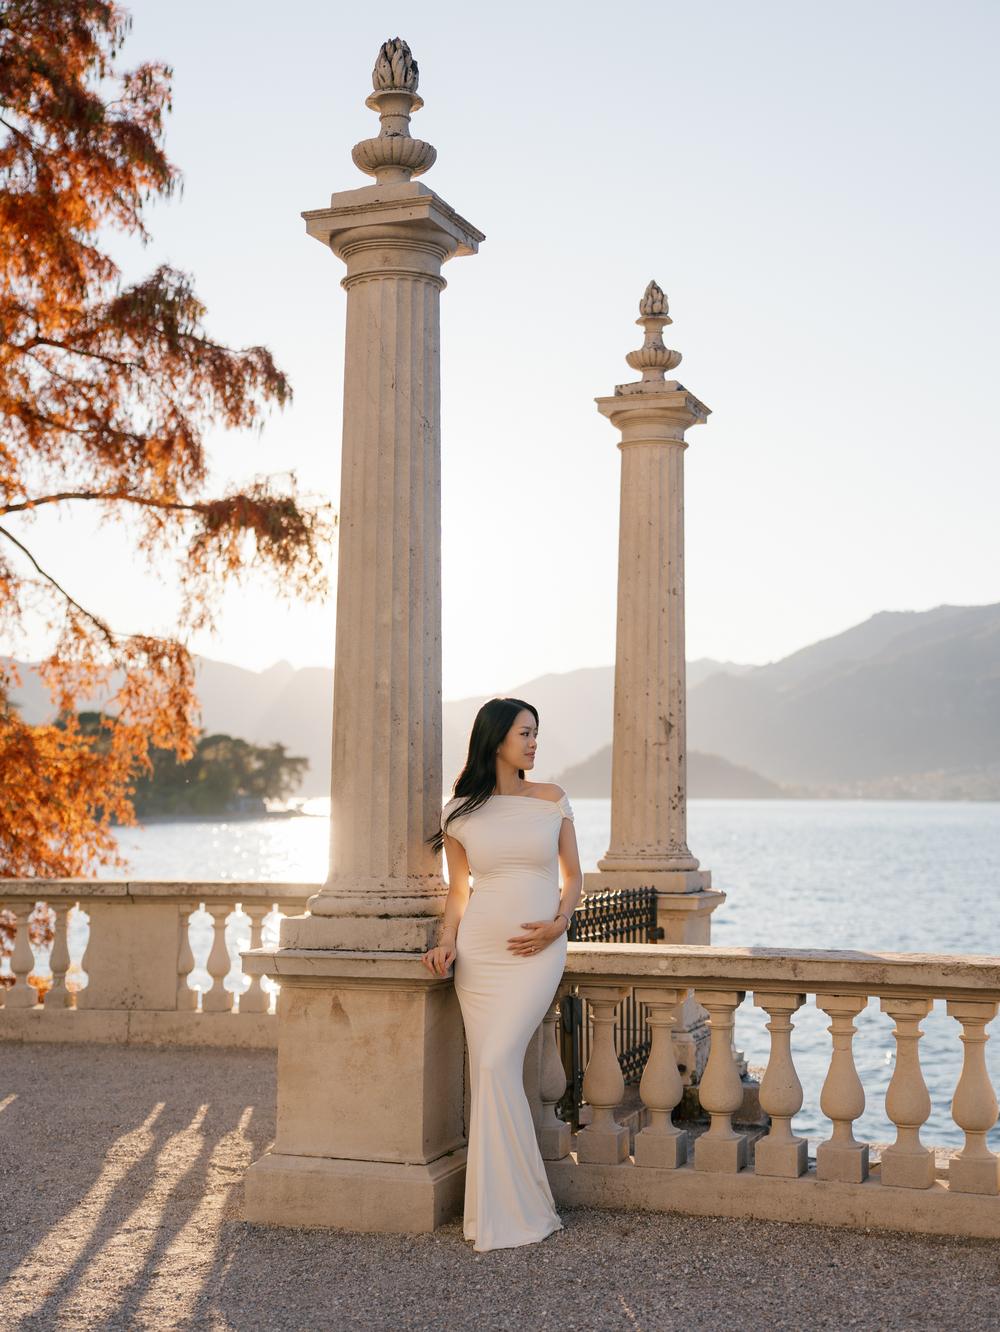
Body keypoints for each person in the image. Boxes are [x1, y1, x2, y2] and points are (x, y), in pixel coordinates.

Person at [421, 696, 583, 1253]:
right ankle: (499, 1208)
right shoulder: (459, 813)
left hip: (538, 951)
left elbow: (573, 876)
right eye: (524, 733)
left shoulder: (552, 799)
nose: (534, 743)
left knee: (495, 1062)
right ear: (496, 739)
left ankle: (518, 1205)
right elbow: (459, 891)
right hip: (481, 954)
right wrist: (447, 942)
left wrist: (559, 924)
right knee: (491, 1071)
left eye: (536, 733)